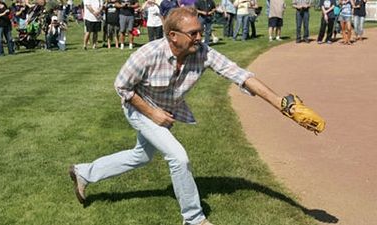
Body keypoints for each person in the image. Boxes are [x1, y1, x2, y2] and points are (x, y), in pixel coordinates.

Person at [68, 6, 324, 225]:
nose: (200, 37)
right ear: (173, 36)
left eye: (200, 31)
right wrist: (153, 113)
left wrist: (280, 103)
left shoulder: (202, 52)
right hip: (139, 107)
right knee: (179, 157)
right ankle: (194, 218)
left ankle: (84, 172)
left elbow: (239, 74)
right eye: (193, 33)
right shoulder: (146, 55)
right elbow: (121, 87)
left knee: (141, 156)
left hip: (165, 110)